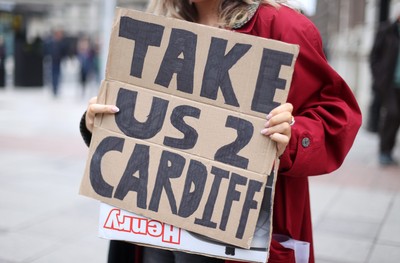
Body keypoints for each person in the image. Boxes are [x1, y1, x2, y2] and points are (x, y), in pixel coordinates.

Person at [79, 0, 362, 262]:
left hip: (236, 234)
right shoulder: (155, 27)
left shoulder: (283, 27)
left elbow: (337, 116)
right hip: (151, 230)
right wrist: (98, 123)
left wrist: (292, 135)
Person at [369, 4, 400, 166]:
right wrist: (378, 76)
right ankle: (383, 150)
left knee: (396, 118)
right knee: (392, 114)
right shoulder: (386, 30)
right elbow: (374, 55)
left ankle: (389, 150)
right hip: (388, 82)